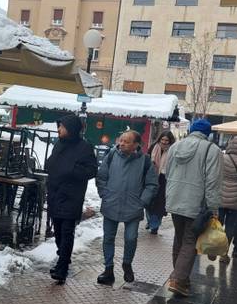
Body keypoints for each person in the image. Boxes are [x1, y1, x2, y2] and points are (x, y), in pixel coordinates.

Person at [164, 119, 222, 297]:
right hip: (196, 203)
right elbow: (212, 182)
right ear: (208, 133)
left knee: (179, 239)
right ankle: (178, 279)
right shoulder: (212, 150)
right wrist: (213, 207)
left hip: (175, 198)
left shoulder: (175, 147)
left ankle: (182, 280)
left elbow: (167, 172)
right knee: (190, 241)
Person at [95, 130, 158, 285]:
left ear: (136, 144)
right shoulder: (111, 155)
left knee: (131, 238)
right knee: (108, 238)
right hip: (111, 203)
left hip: (133, 206)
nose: (121, 143)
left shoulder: (145, 161)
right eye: (121, 140)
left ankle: (127, 263)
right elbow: (101, 177)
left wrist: (142, 201)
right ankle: (108, 269)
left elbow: (152, 184)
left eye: (126, 141)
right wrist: (105, 194)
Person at [45, 114, 98, 283]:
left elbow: (91, 170)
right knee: (59, 233)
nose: (59, 129)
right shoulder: (59, 144)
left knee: (67, 232)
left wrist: (71, 170)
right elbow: (52, 164)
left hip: (71, 196)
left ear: (72, 129)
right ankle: (63, 258)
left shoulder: (84, 147)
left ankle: (62, 268)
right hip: (55, 194)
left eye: (62, 127)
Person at [145, 131, 176, 235]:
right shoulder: (154, 147)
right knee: (149, 201)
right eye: (162, 140)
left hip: (165, 179)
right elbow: (147, 160)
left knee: (160, 204)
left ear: (170, 141)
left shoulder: (173, 150)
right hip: (152, 177)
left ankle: (155, 225)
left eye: (166, 140)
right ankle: (150, 221)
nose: (164, 142)